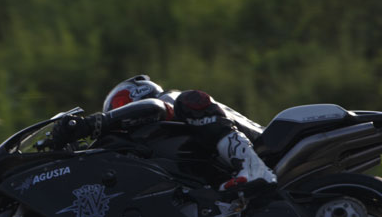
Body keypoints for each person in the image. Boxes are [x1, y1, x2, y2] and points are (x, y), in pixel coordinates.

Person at [50, 75, 277, 190]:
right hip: (240, 163)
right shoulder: (184, 136)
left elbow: (153, 108)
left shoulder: (168, 100)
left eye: (119, 107)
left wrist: (93, 124)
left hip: (268, 148)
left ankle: (254, 168)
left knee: (189, 101)